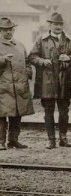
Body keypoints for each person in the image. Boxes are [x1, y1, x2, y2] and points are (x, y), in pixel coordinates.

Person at [29, 12, 71, 149]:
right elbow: (32, 57)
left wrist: (69, 58)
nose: (58, 26)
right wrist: (42, 61)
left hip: (65, 81)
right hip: (47, 82)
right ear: (50, 25)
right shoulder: (42, 39)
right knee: (48, 111)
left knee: (64, 111)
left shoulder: (69, 39)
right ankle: (51, 139)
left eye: (60, 24)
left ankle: (63, 138)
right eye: (55, 24)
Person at [0, 17, 34, 150]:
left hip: (19, 86)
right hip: (3, 86)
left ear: (13, 30)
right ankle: (1, 142)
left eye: (10, 29)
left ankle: (13, 140)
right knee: (2, 115)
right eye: (5, 30)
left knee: (17, 114)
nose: (8, 32)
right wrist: (2, 59)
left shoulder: (19, 45)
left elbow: (27, 60)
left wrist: (27, 73)